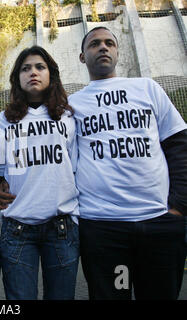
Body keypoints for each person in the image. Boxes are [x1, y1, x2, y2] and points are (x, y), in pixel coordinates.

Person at [68, 26, 186, 299]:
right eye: (95, 43)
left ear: (118, 51)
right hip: (104, 230)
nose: (103, 47)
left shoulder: (147, 88)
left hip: (158, 223)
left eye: (110, 42)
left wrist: (179, 206)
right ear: (83, 56)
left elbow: (178, 145)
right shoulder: (73, 104)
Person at [0, 46, 80, 300]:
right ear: (17, 78)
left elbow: (74, 167)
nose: (33, 72)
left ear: (51, 74)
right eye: (25, 68)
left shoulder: (67, 117)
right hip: (18, 230)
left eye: (40, 67)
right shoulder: (2, 120)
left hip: (62, 228)